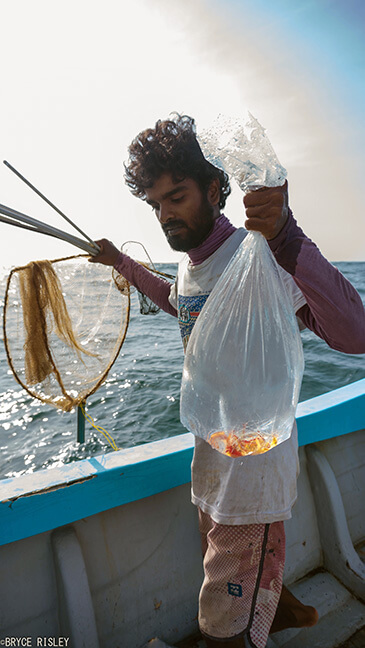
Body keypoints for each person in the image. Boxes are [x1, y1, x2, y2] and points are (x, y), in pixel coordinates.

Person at [90, 114, 365, 648]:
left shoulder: (258, 255)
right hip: (212, 460)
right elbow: (177, 301)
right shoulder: (194, 265)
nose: (165, 215)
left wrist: (285, 235)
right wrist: (121, 262)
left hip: (254, 476)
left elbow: (355, 334)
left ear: (216, 188)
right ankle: (280, 607)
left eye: (177, 196)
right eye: (155, 204)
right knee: (228, 563)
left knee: (220, 623)